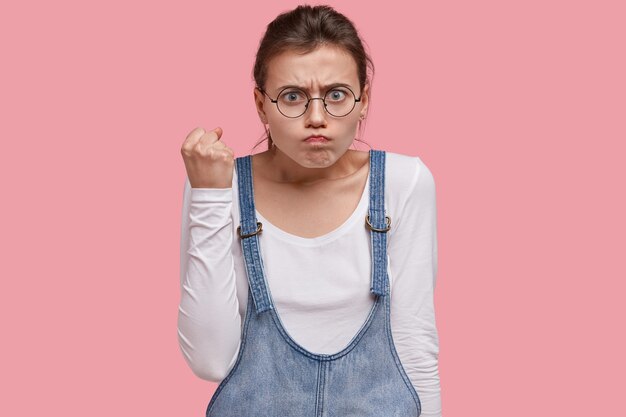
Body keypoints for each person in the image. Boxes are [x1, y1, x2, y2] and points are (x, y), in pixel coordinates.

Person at [178, 4, 441, 416]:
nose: (316, 118)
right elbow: (210, 361)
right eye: (293, 97)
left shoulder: (403, 183)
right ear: (261, 104)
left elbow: (415, 345)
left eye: (336, 95)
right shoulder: (220, 184)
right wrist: (209, 196)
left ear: (364, 100)